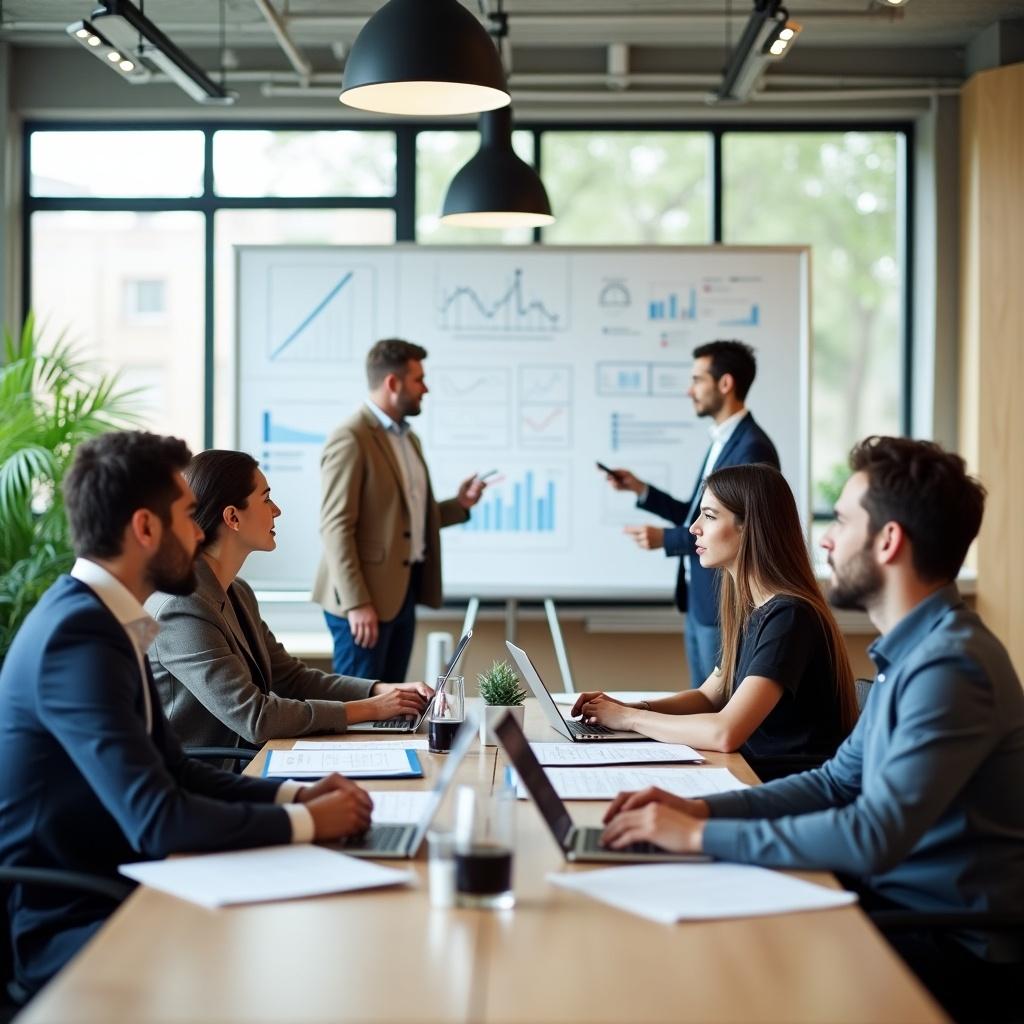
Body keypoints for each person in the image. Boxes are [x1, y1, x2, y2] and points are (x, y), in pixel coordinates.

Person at [600, 436, 1024, 1021]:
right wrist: (701, 813)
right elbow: (833, 783)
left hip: (943, 937)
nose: (823, 538)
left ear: (889, 541)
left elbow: (873, 836)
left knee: (721, 969)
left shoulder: (952, 667)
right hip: (889, 900)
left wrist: (697, 838)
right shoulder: (916, 653)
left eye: (841, 522)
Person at [0, 431, 373, 997]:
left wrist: (297, 795)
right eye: (186, 515)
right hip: (82, 915)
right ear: (146, 530)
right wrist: (307, 824)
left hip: (138, 879)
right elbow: (158, 818)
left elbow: (175, 768)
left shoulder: (106, 619)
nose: (201, 531)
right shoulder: (76, 638)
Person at [147, 450, 434, 756]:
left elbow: (290, 678)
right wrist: (368, 709)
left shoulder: (237, 591)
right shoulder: (181, 607)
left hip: (244, 762)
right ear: (232, 517)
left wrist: (381, 691)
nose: (277, 510)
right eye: (266, 498)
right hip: (201, 780)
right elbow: (256, 717)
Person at [574, 463, 858, 770]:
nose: (694, 528)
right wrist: (629, 708)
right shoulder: (754, 608)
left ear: (749, 526)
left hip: (783, 787)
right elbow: (711, 696)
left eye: (709, 516)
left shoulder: (789, 617)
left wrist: (631, 719)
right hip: (753, 774)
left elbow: (725, 733)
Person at [603, 340, 779, 688]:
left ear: (725, 384)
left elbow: (741, 526)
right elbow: (695, 514)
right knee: (703, 699)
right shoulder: (723, 440)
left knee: (718, 704)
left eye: (697, 379)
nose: (690, 390)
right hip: (700, 601)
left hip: (722, 601)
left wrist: (665, 539)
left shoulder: (752, 446)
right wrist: (641, 490)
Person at [313, 338, 485, 679]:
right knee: (360, 713)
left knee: (393, 706)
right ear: (393, 383)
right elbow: (335, 527)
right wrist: (357, 603)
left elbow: (408, 517)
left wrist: (460, 505)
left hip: (400, 594)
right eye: (419, 379)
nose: (426, 388)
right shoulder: (352, 437)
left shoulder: (409, 439)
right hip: (362, 604)